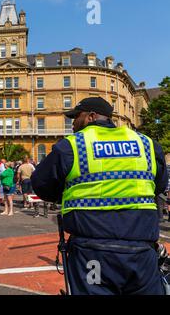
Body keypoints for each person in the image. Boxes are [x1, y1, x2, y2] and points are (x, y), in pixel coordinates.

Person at [31, 97, 169, 295]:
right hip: (141, 249)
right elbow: (159, 185)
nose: (73, 123)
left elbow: (41, 185)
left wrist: (66, 194)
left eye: (76, 117)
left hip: (92, 250)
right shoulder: (146, 144)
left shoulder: (73, 145)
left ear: (91, 117)